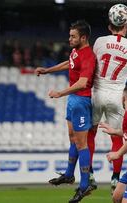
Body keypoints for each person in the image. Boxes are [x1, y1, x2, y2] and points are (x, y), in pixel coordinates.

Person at [35, 20, 96, 203]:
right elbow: (68, 64)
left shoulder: (88, 56)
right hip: (73, 101)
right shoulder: (76, 51)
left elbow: (83, 83)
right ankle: (69, 175)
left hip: (81, 101)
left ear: (83, 38)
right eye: (69, 35)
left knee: (82, 144)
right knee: (72, 138)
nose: (69, 39)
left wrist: (60, 93)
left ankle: (84, 185)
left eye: (73, 36)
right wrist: (48, 70)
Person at [88, 3, 127, 193]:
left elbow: (91, 65)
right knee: (116, 137)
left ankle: (89, 174)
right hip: (118, 94)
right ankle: (115, 178)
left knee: (90, 133)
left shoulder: (100, 41)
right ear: (126, 26)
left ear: (110, 26)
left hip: (97, 91)